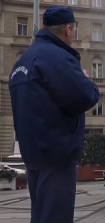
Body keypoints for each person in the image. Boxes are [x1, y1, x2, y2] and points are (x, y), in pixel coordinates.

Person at [8, 6, 99, 223]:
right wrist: (85, 78)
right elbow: (85, 96)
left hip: (34, 157)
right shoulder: (57, 58)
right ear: (68, 29)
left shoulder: (22, 62)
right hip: (56, 156)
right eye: (74, 30)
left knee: (41, 216)